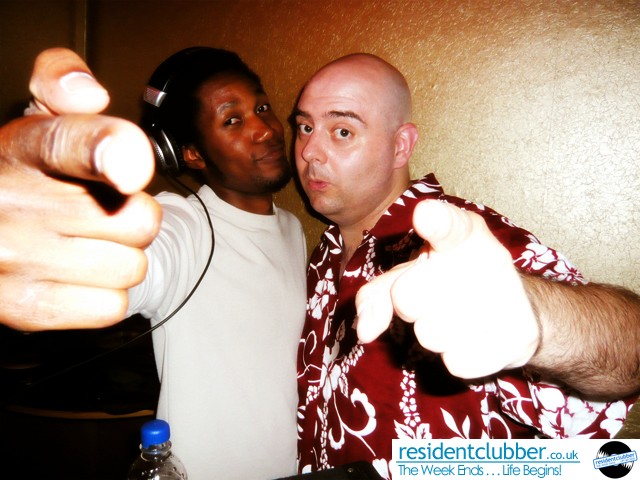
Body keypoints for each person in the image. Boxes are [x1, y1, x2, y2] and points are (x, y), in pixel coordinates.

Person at [292, 53, 640, 478]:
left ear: (400, 146)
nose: (310, 151)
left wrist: (538, 317)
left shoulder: (463, 243)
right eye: (305, 127)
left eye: (342, 131)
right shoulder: (322, 256)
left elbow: (631, 349)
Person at [0, 47, 306, 480]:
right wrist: (45, 234)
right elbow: (140, 263)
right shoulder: (183, 225)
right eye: (232, 120)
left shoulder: (293, 229)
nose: (266, 129)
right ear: (191, 154)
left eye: (261, 107)